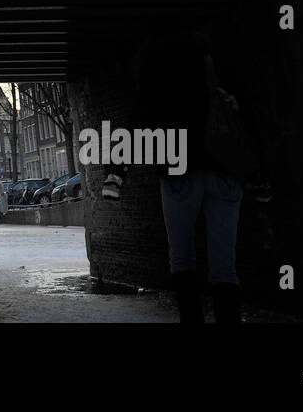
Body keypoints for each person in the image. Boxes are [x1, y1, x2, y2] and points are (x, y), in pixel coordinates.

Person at [102, 29, 271, 324]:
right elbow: (246, 120)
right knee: (225, 266)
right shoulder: (218, 68)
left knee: (182, 259)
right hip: (224, 174)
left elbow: (137, 122)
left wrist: (116, 174)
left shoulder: (157, 76)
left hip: (179, 174)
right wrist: (258, 174)